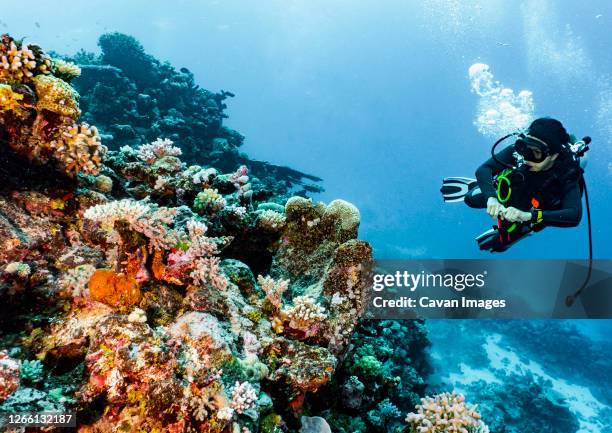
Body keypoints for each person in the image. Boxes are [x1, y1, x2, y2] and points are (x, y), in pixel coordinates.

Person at [464, 117, 583, 229]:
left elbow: (574, 215)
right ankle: (495, 186)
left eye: (537, 152)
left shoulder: (566, 171)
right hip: (517, 189)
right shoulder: (519, 151)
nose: (527, 158)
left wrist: (531, 216)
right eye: (526, 148)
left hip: (539, 206)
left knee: (506, 239)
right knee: (471, 199)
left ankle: (524, 223)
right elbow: (484, 169)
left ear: (554, 155)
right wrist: (491, 197)